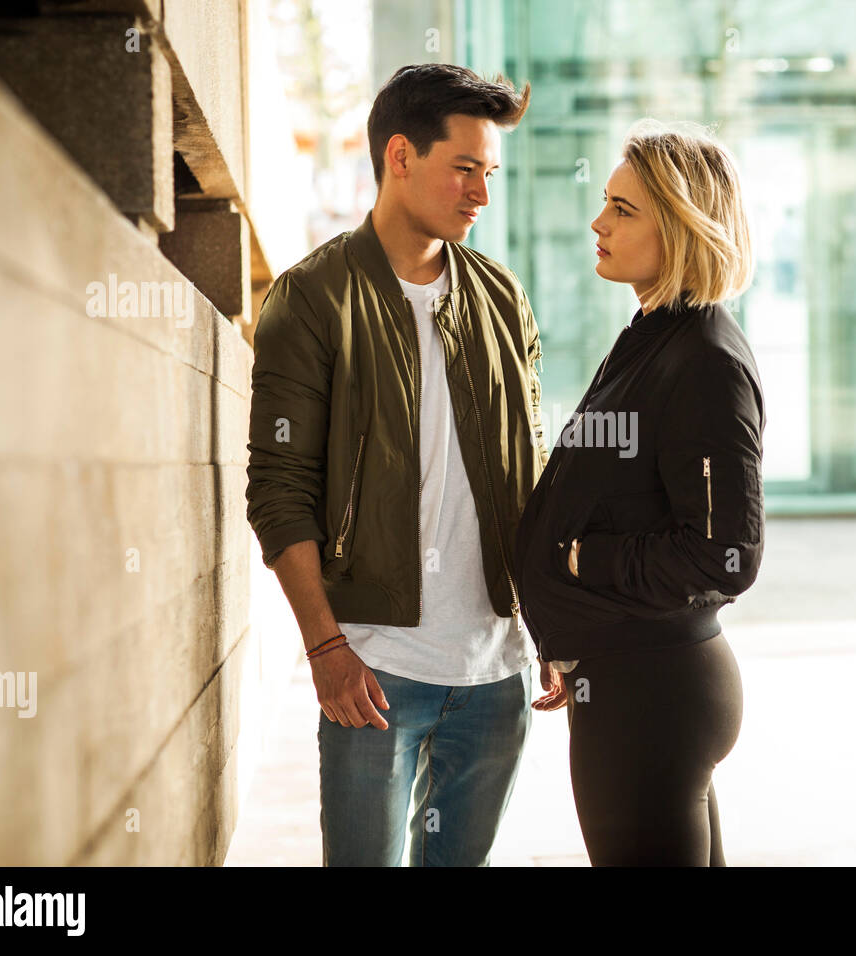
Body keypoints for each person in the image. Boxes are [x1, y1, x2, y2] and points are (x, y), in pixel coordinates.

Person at [245, 64, 549, 866]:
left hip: (495, 671)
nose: (482, 193)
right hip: (374, 672)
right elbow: (278, 494)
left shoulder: (502, 298)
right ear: (401, 157)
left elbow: (532, 473)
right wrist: (326, 651)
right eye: (465, 168)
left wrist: (552, 620)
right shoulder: (312, 298)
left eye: (490, 172)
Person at [513, 122, 766, 866]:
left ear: (683, 225)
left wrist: (580, 566)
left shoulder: (704, 361)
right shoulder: (653, 335)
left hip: (651, 696)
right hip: (629, 682)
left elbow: (724, 555)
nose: (599, 223)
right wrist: (566, 632)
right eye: (606, 203)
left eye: (624, 209)